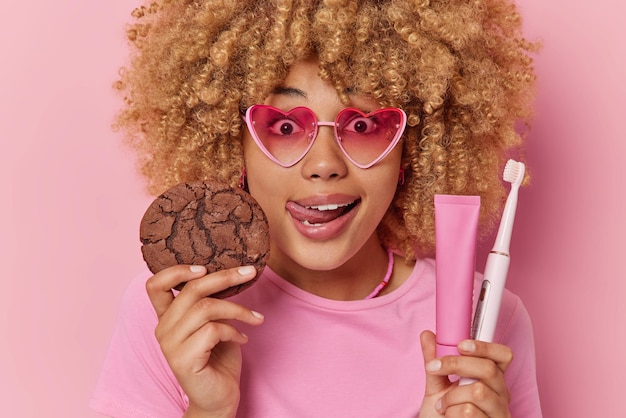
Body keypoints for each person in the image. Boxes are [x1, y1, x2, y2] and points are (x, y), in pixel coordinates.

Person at [91, 0, 542, 417]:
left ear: (412, 152)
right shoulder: (180, 313)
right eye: (286, 125)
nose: (324, 165)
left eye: (363, 124)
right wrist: (208, 412)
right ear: (234, 146)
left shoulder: (485, 323)